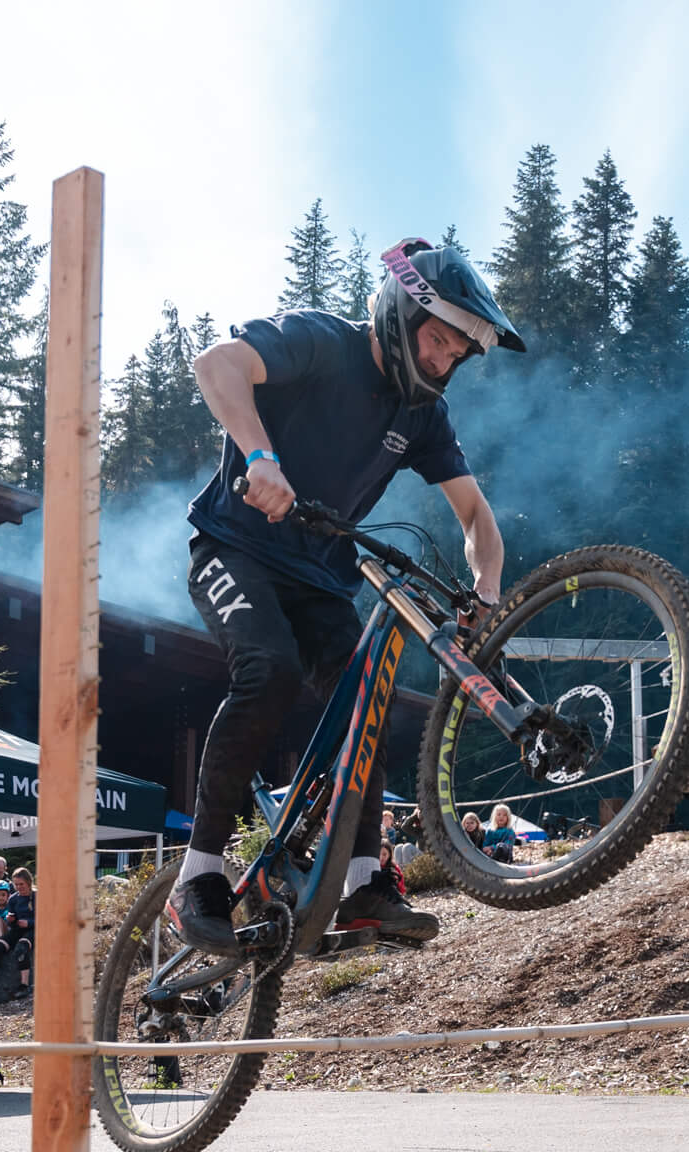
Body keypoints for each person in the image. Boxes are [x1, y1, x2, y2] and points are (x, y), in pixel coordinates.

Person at [167, 238, 524, 956]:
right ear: (399, 312)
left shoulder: (422, 415)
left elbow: (478, 519)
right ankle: (197, 877)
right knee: (268, 671)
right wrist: (261, 457)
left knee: (370, 699)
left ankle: (364, 883)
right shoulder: (320, 342)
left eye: (457, 354)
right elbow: (217, 364)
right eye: (437, 341)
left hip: (321, 577)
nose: (443, 362)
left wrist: (487, 586)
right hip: (233, 548)